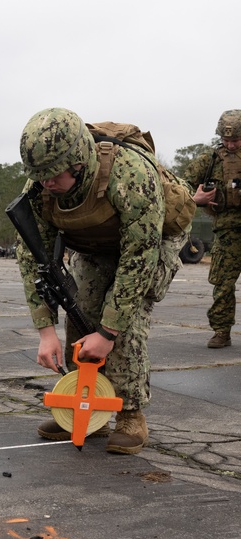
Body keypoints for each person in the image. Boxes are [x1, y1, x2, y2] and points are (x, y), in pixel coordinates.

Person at [14, 108, 189, 454]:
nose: (46, 183)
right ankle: (86, 410)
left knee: (125, 317)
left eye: (53, 176)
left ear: (78, 163)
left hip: (152, 240)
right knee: (80, 311)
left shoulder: (131, 174)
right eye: (40, 176)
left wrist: (108, 333)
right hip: (96, 242)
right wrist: (45, 330)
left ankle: (129, 413)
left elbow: (138, 259)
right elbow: (32, 257)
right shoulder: (41, 183)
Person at [185, 110, 241, 349]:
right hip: (227, 232)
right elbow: (180, 188)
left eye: (235, 140)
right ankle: (221, 331)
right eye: (226, 140)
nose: (230, 145)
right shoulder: (209, 161)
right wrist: (196, 198)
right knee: (222, 284)